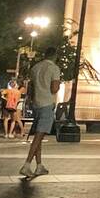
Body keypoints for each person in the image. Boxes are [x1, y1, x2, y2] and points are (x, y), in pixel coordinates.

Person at [22, 47, 62, 179]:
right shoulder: (54, 68)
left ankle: (39, 165)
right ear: (54, 56)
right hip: (47, 104)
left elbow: (32, 87)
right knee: (38, 136)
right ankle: (27, 165)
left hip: (36, 104)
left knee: (39, 136)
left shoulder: (35, 68)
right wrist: (58, 85)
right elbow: (54, 89)